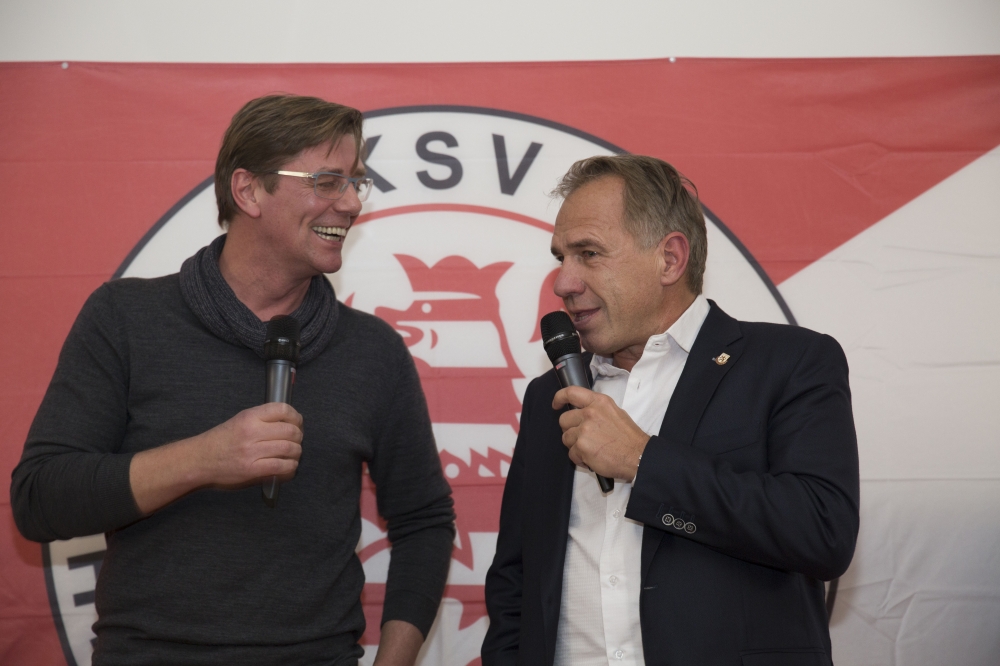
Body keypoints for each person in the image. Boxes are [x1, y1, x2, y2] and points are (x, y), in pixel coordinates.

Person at [11, 95, 455, 666]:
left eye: (356, 183)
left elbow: (425, 521)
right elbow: (41, 499)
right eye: (327, 181)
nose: (350, 203)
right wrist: (204, 458)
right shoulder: (125, 319)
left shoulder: (373, 351)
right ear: (248, 191)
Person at [482, 155, 859, 666]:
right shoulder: (550, 395)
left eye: (589, 253)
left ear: (669, 259)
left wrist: (642, 460)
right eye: (561, 258)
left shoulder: (790, 362)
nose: (563, 282)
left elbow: (823, 532)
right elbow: (516, 580)